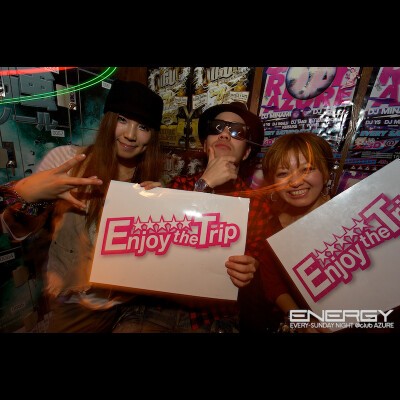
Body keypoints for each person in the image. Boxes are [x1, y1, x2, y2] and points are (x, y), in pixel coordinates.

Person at [1, 79, 165, 333]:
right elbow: (16, 231)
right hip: (77, 305)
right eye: (122, 120)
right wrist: (28, 195)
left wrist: (160, 210)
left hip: (131, 304)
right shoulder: (68, 161)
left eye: (143, 126)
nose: (131, 135)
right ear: (108, 120)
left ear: (152, 136)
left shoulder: (151, 181)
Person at [113, 101, 271, 333]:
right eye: (217, 128)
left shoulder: (256, 205)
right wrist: (203, 185)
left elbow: (253, 263)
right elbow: (169, 251)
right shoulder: (179, 185)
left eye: (237, 132)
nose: (225, 134)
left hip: (212, 317)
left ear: (247, 151)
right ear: (204, 144)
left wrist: (249, 268)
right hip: (157, 309)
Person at [240, 132, 336, 333]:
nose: (296, 182)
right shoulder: (271, 226)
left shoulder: (350, 217)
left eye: (307, 169)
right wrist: (302, 323)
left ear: (326, 172)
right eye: (283, 173)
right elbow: (274, 285)